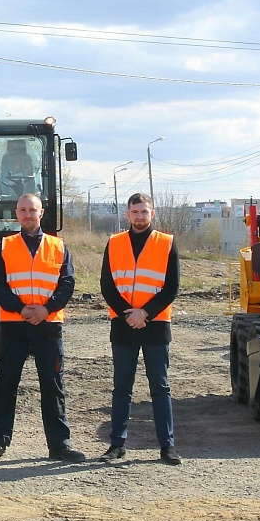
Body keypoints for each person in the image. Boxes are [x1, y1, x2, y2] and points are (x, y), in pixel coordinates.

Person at [0, 194, 85, 462]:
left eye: (33, 210)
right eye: (23, 210)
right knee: (6, 383)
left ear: (42, 213)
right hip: (15, 324)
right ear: (16, 214)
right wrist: (22, 309)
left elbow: (67, 284)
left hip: (48, 325)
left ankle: (59, 444)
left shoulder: (58, 246)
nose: (28, 215)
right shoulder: (4, 247)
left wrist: (45, 309)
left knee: (52, 385)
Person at [100, 192, 182, 465]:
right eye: (135, 212)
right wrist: (129, 316)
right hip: (123, 325)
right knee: (122, 387)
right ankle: (117, 445)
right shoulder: (114, 243)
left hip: (156, 325)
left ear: (152, 214)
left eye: (144, 212)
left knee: (160, 387)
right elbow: (107, 286)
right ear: (128, 214)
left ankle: (167, 447)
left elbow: (172, 287)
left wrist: (145, 313)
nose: (139, 216)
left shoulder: (167, 243)